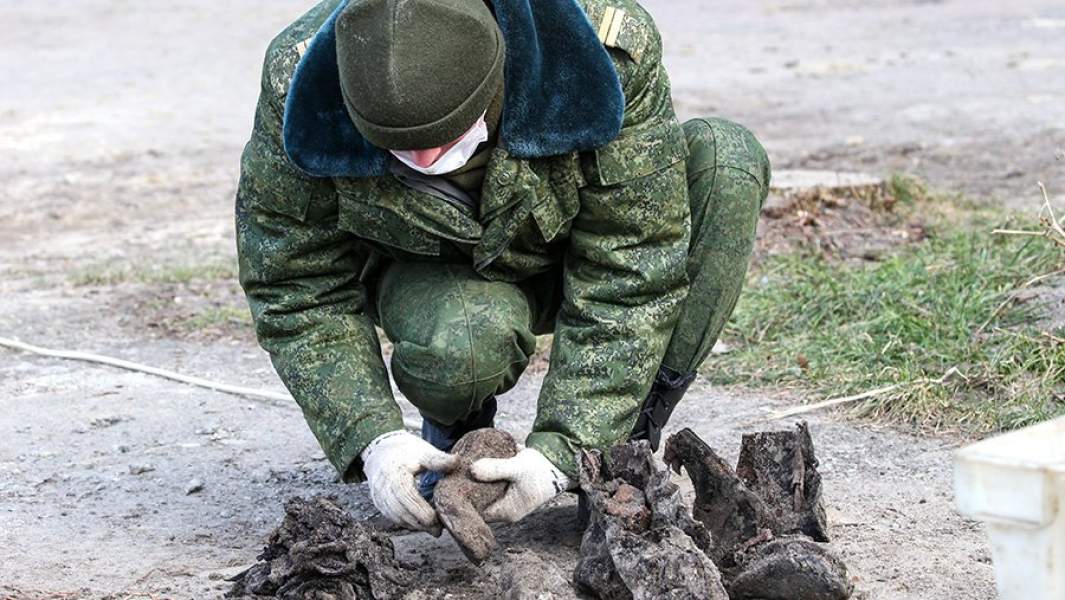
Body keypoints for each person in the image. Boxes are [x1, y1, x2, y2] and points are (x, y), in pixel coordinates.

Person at [236, 0, 770, 536]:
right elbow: (295, 282)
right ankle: (450, 444)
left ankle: (617, 454)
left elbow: (632, 266)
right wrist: (373, 439)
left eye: (443, 134)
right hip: (433, 276)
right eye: (399, 143)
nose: (423, 160)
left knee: (726, 159)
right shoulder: (301, 80)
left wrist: (567, 450)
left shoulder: (599, 50)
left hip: (568, 243)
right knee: (464, 340)